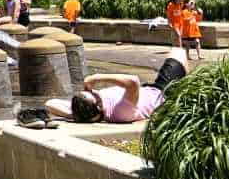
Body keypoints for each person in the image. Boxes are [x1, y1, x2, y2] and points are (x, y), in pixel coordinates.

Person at [46, 46, 188, 124]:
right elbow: (133, 81)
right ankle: (184, 91)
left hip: (147, 91)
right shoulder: (121, 112)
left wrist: (73, 114)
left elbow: (50, 104)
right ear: (98, 106)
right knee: (178, 52)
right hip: (162, 93)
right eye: (92, 93)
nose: (92, 89)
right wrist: (97, 77)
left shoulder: (84, 112)